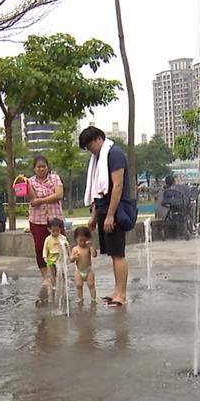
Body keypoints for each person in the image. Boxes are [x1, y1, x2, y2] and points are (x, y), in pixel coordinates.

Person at [81, 126, 134, 308]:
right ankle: (116, 291)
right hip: (104, 209)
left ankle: (122, 294)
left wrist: (111, 215)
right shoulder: (99, 159)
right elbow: (99, 191)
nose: (90, 151)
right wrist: (95, 216)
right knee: (113, 253)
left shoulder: (114, 154)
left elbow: (117, 186)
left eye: (89, 146)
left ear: (98, 139)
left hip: (116, 211)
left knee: (118, 253)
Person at [23, 155, 64, 285]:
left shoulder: (55, 178)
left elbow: (59, 195)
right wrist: (23, 182)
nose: (41, 169)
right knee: (41, 248)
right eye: (38, 167)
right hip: (37, 220)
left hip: (55, 218)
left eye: (43, 166)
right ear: (34, 168)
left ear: (47, 167)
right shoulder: (29, 182)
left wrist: (41, 200)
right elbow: (32, 199)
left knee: (58, 246)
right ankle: (45, 277)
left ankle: (58, 275)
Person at [70, 226, 97, 304]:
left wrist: (91, 246)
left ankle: (93, 299)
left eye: (84, 240)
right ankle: (80, 299)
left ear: (88, 239)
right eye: (80, 240)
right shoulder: (75, 249)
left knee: (91, 284)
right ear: (76, 239)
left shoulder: (88, 248)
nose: (82, 242)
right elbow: (71, 260)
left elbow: (94, 255)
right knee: (78, 285)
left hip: (88, 270)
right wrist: (74, 257)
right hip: (79, 270)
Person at [42, 217, 68, 288]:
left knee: (62, 272)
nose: (56, 233)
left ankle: (64, 284)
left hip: (60, 258)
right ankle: (54, 286)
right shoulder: (48, 239)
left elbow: (67, 246)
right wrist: (45, 257)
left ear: (60, 229)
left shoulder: (62, 238)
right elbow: (45, 249)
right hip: (51, 259)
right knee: (52, 273)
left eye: (58, 231)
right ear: (49, 229)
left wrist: (68, 254)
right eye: (53, 231)